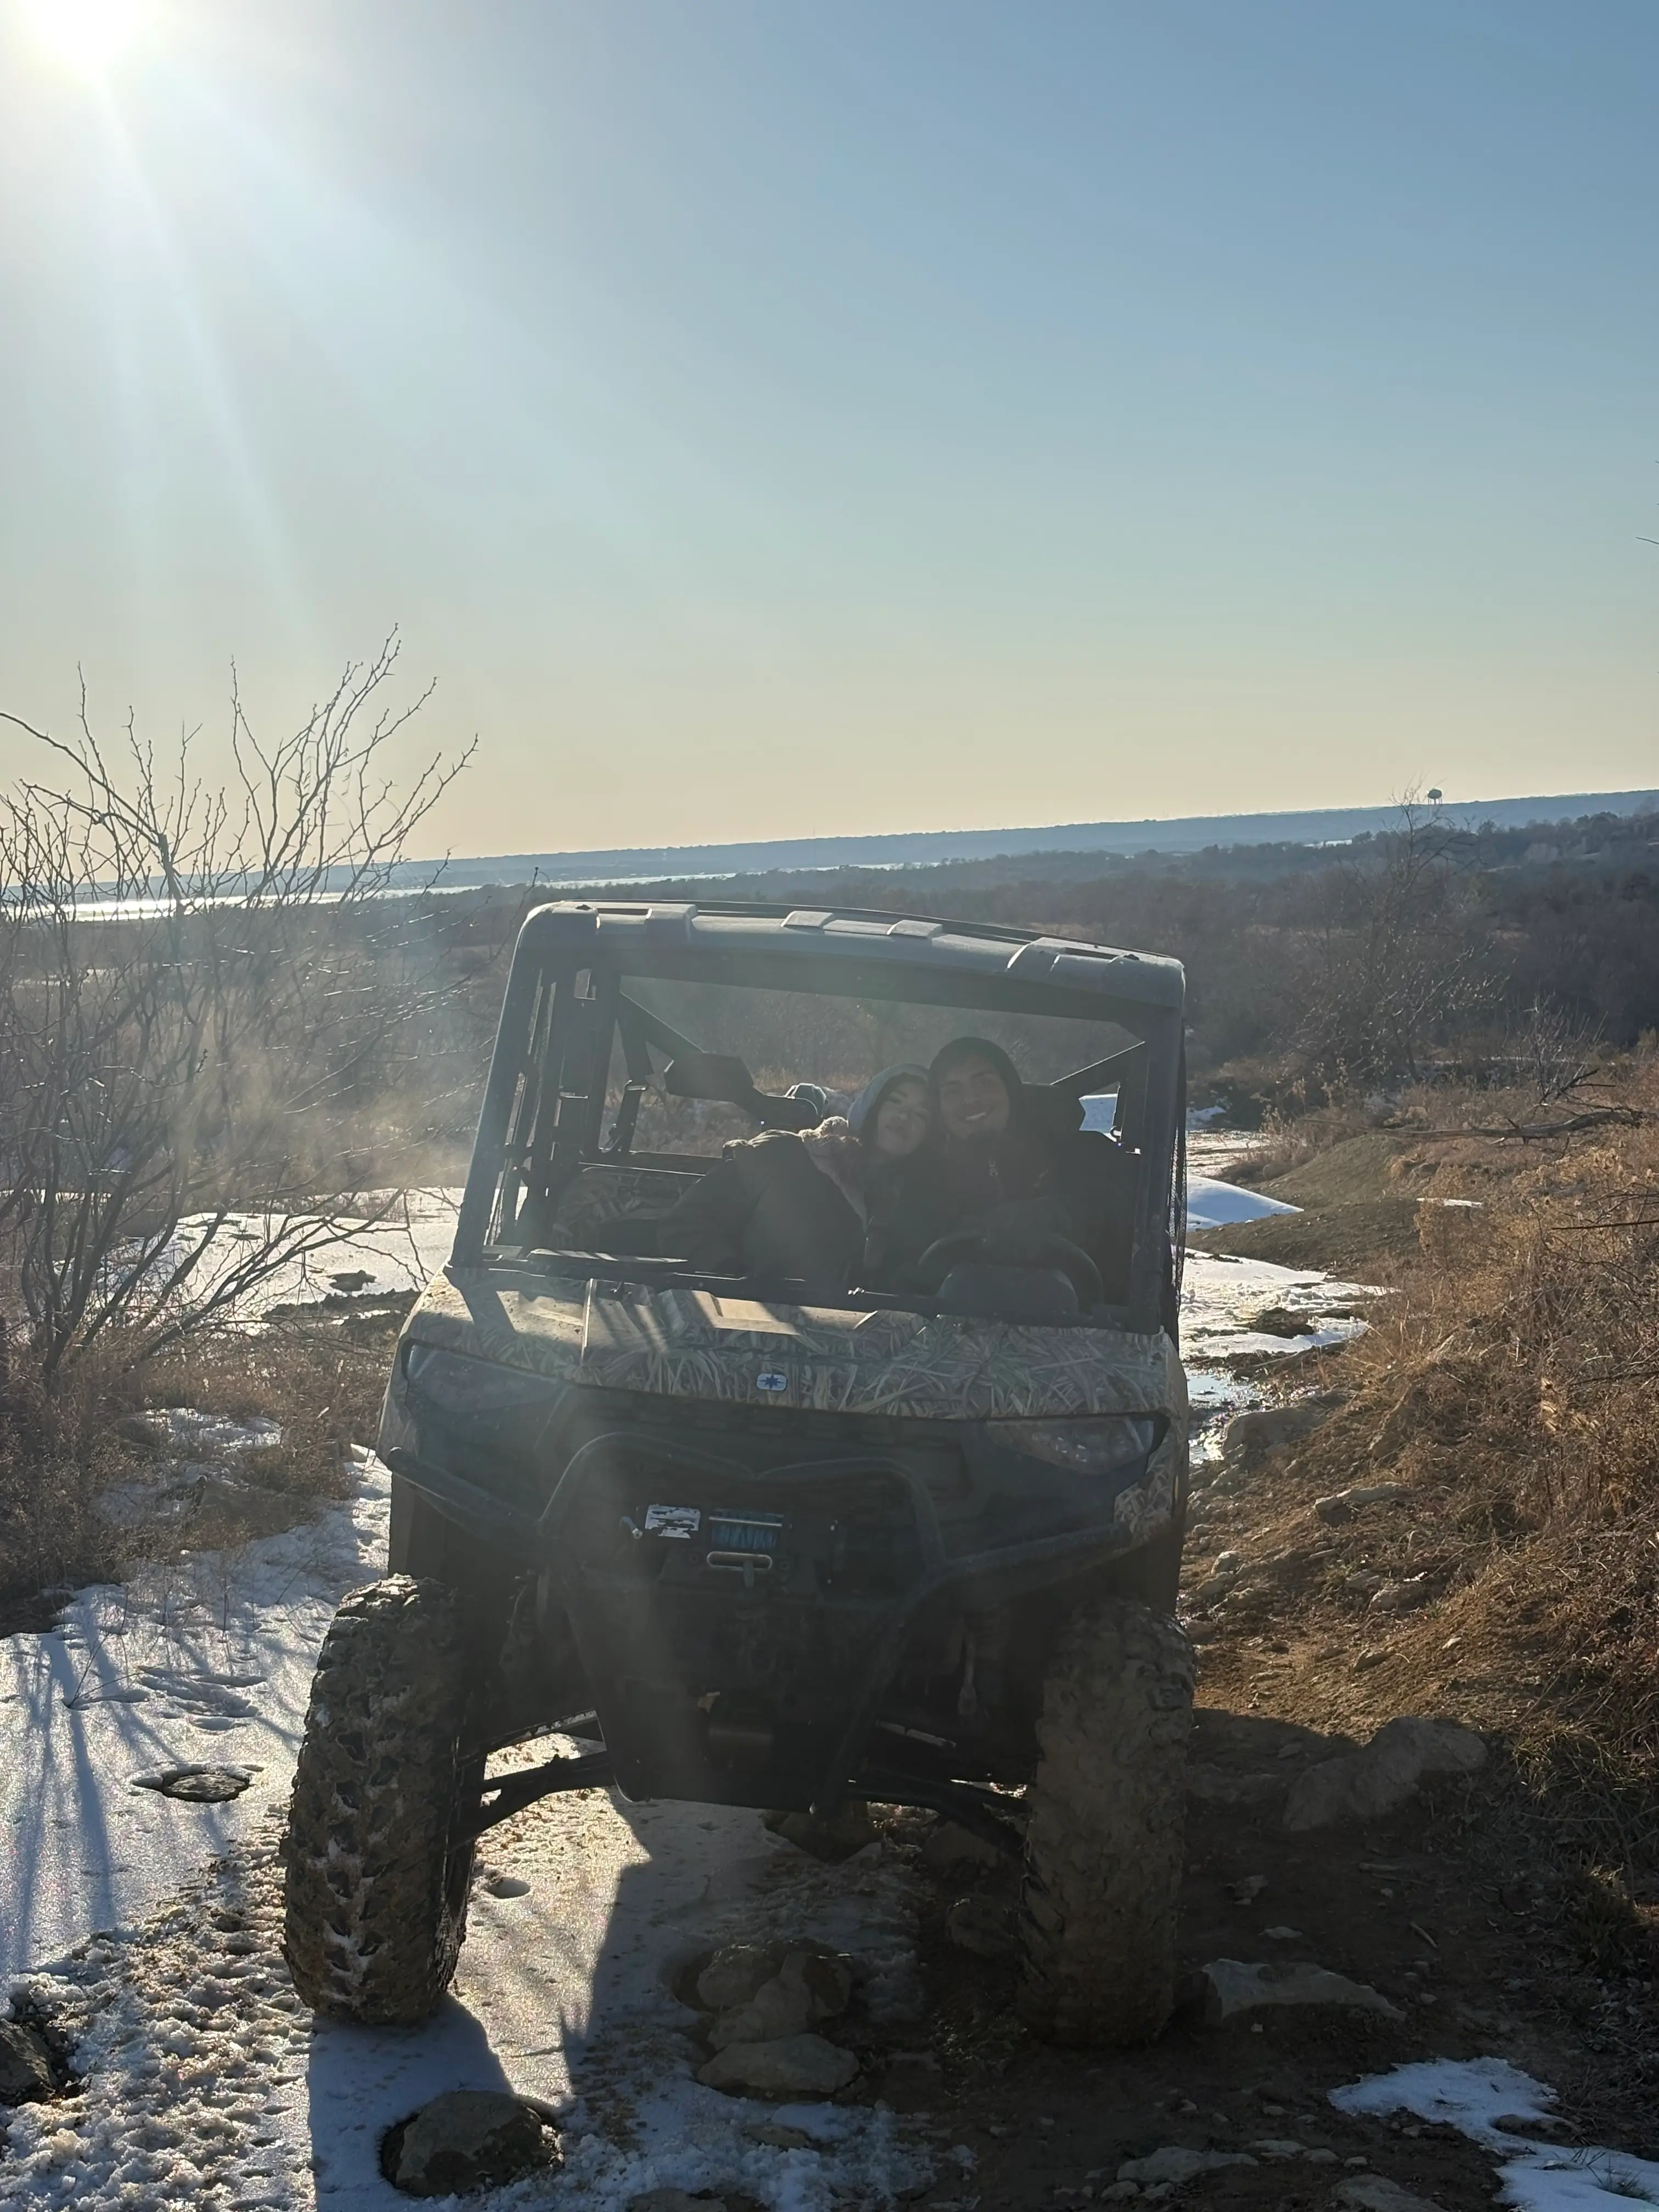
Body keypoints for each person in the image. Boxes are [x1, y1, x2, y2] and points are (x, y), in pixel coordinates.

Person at [587, 1065, 935, 1286]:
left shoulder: (915, 1208)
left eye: (920, 1115)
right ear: (870, 1106)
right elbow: (686, 1224)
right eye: (897, 1103)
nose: (905, 1118)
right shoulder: (786, 1155)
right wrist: (735, 1283)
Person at [907, 1036, 1139, 1302]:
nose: (970, 1099)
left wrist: (1057, 1215)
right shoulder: (921, 1176)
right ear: (939, 1108)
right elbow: (897, 1264)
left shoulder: (1081, 1153)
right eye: (952, 1091)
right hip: (948, 1332)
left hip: (1081, 1331)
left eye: (983, 1083)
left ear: (1010, 1089)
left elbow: (1120, 1208)